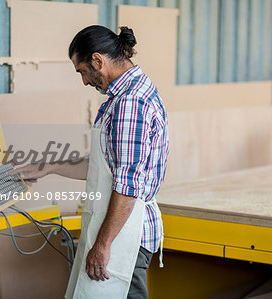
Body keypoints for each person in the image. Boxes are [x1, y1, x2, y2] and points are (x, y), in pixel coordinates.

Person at [11, 25, 169, 299]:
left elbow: (127, 185)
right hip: (118, 229)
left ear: (98, 60)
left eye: (83, 71)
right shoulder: (125, 93)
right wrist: (48, 166)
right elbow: (104, 165)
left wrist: (103, 245)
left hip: (123, 236)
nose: (85, 81)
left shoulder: (130, 103)